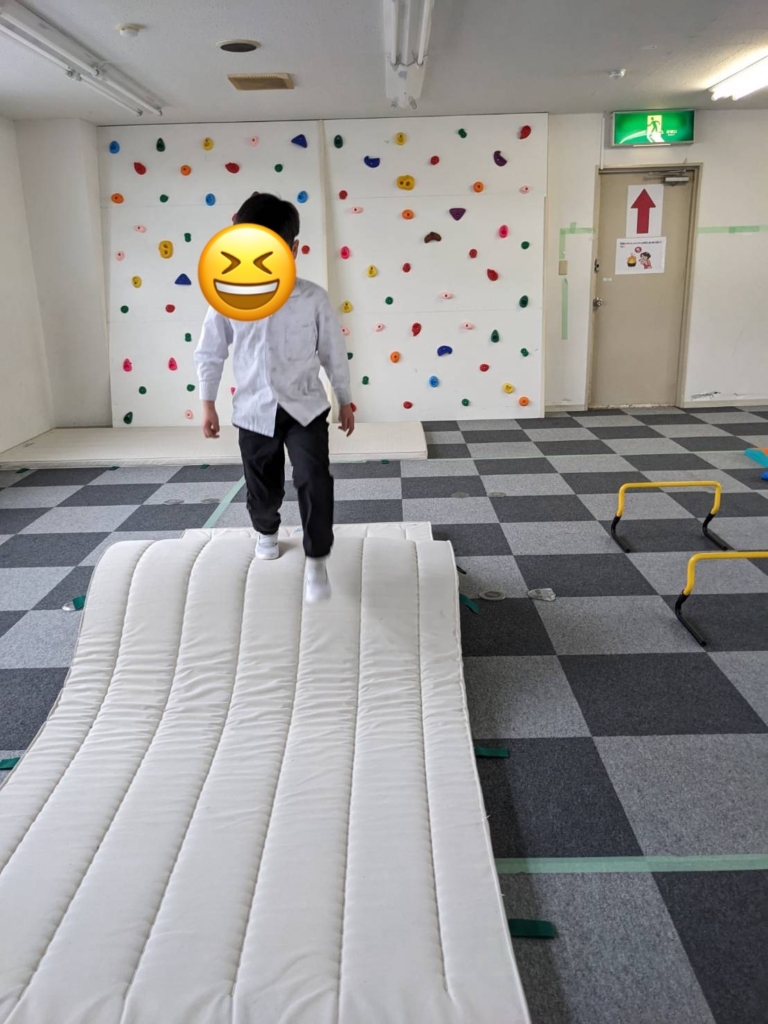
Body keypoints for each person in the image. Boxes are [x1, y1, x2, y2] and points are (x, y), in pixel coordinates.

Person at [194, 192, 354, 603]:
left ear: (293, 250)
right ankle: (266, 530)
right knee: (263, 488)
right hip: (254, 411)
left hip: (305, 407)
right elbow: (211, 349)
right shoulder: (228, 297)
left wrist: (344, 398)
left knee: (314, 478)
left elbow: (333, 351)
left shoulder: (313, 299)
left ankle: (317, 558)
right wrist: (208, 402)